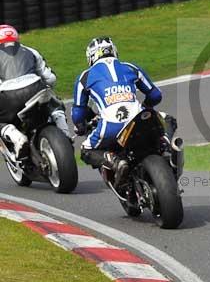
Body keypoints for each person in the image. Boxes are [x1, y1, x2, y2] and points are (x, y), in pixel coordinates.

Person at [72, 37, 163, 186]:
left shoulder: (84, 77)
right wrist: (146, 107)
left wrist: (81, 126)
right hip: (139, 119)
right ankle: (170, 153)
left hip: (110, 126)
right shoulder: (131, 67)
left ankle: (115, 162)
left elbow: (77, 114)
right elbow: (156, 95)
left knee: (85, 150)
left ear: (91, 57)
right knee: (167, 123)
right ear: (114, 51)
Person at [0, 24, 70, 158]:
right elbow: (51, 79)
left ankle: (15, 136)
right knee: (55, 104)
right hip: (35, 88)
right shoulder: (31, 51)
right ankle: (65, 132)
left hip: (9, 97)